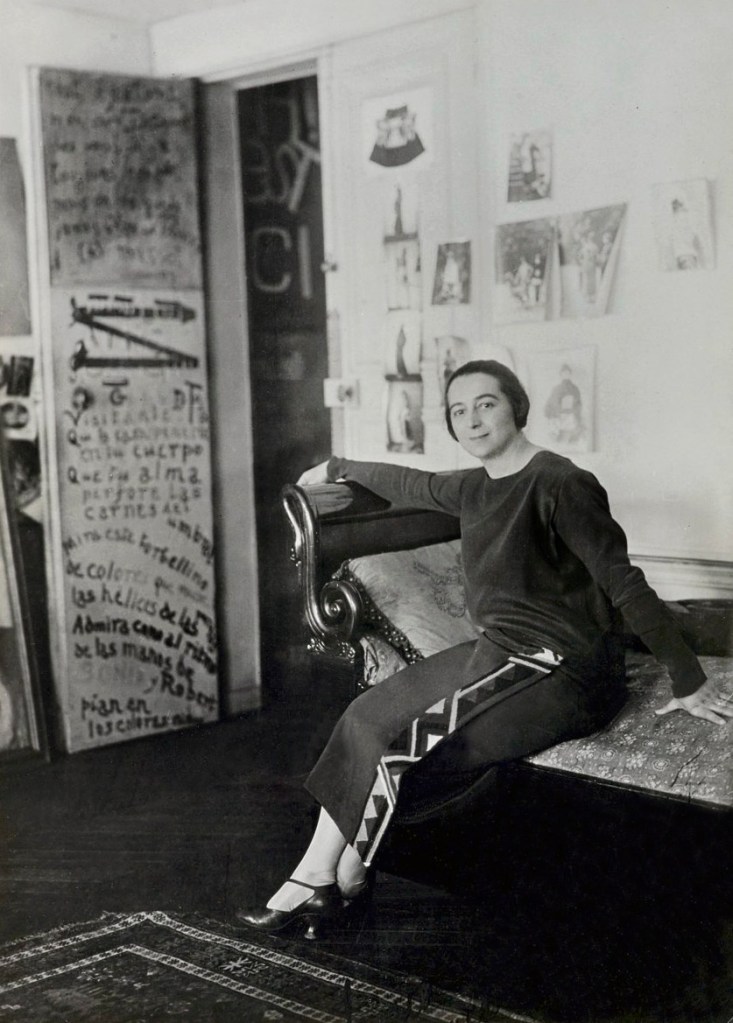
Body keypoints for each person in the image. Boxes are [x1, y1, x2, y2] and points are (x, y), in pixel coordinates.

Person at [234, 359, 730, 939]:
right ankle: (337, 877)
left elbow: (624, 583)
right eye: (458, 411)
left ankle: (321, 878)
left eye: (486, 403)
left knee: (403, 746)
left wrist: (688, 679)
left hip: (564, 670)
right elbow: (407, 483)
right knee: (365, 716)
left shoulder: (561, 483)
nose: (472, 419)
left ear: (516, 406)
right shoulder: (473, 487)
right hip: (498, 651)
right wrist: (339, 465)